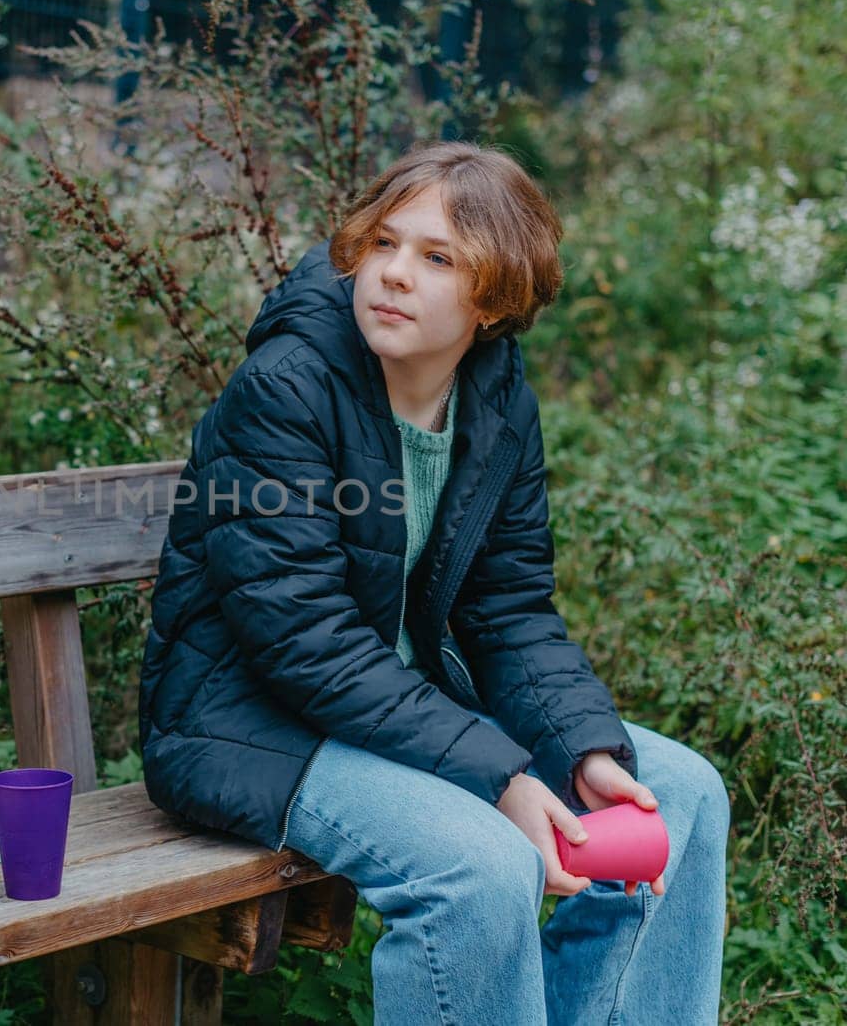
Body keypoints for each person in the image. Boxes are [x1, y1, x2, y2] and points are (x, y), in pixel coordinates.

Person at [139, 141, 731, 1024]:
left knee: (681, 796)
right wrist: (502, 777)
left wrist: (584, 750)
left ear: (493, 299)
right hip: (253, 724)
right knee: (480, 866)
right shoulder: (285, 389)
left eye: (437, 258)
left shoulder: (495, 400)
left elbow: (510, 608)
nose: (394, 275)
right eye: (384, 243)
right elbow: (305, 644)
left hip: (395, 712)